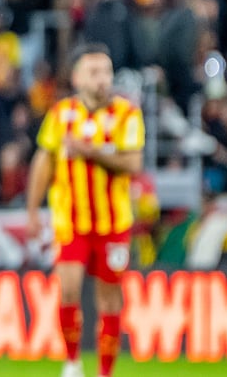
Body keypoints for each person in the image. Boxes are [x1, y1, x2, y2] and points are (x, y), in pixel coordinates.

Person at [26, 43, 144, 377]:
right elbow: (43, 163)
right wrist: (33, 211)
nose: (102, 80)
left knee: (110, 299)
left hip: (114, 223)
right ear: (77, 77)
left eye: (106, 72)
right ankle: (73, 362)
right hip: (71, 221)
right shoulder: (61, 114)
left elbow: (133, 163)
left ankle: (105, 371)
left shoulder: (127, 113)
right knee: (69, 291)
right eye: (94, 72)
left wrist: (89, 151)